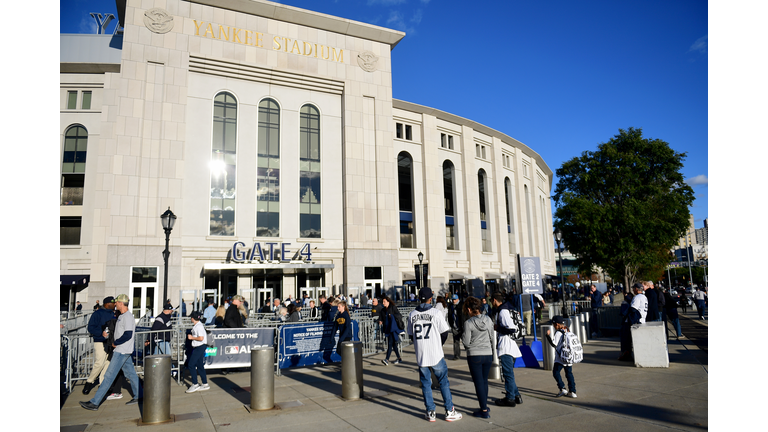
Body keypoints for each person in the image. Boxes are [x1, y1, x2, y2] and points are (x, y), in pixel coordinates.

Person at [407, 287, 462, 422]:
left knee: (426, 383)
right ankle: (449, 410)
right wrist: (438, 343)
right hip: (435, 353)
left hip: (421, 354)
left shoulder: (412, 314)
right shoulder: (436, 313)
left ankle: (430, 411)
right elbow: (444, 332)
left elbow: (410, 335)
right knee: (443, 381)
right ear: (430, 298)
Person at [80, 294, 141, 410]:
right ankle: (139, 396)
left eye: (117, 302)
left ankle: (94, 403)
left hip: (121, 351)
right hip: (123, 350)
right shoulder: (122, 316)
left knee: (108, 376)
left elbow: (128, 334)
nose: (115, 304)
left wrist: (115, 343)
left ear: (121, 303)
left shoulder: (127, 317)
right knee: (131, 375)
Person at [461, 296, 495, 418]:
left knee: (478, 382)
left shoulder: (468, 323)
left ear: (469, 310)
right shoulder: (488, 320)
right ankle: (484, 404)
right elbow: (492, 337)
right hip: (487, 353)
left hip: (474, 354)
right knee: (484, 381)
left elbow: (466, 342)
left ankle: (484, 410)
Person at [491, 292, 523, 407]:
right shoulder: (509, 309)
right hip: (511, 345)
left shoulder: (503, 311)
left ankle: (510, 398)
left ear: (494, 300)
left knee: (508, 374)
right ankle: (517, 396)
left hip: (506, 346)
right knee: (509, 374)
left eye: (491, 301)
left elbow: (511, 328)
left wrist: (497, 327)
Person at [82, 296, 117, 395]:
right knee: (99, 363)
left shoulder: (113, 314)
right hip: (100, 341)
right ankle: (89, 382)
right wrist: (101, 333)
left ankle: (102, 384)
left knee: (107, 363)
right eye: (113, 303)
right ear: (107, 304)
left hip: (110, 342)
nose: (115, 304)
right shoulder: (97, 313)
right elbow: (90, 327)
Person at [546, 316, 578, 398]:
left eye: (553, 324)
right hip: (569, 357)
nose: (553, 326)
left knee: (556, 373)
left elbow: (554, 344)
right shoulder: (567, 329)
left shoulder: (558, 333)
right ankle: (572, 391)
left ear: (556, 324)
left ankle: (562, 388)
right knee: (569, 374)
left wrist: (547, 336)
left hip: (560, 358)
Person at [185, 311, 211, 393]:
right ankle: (205, 383)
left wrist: (191, 337)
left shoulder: (198, 326)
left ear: (193, 318)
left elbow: (201, 338)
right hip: (199, 346)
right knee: (200, 365)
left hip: (199, 346)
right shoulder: (198, 325)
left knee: (191, 364)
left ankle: (195, 384)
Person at [380, 295, 404, 365]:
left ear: (388, 302)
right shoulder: (383, 310)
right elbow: (380, 318)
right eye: (382, 302)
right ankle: (399, 358)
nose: (383, 303)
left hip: (393, 329)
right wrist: (380, 321)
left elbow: (399, 315)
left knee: (390, 344)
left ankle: (387, 359)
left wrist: (392, 316)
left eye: (384, 302)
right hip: (387, 329)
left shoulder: (393, 308)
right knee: (393, 345)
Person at [447, 294, 464, 360]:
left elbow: (464, 316)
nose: (454, 301)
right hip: (454, 326)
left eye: (455, 299)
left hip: (461, 326)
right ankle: (456, 355)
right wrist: (451, 325)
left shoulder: (461, 305)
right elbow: (449, 316)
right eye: (453, 299)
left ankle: (470, 355)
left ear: (458, 299)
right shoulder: (451, 306)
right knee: (456, 342)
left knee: (466, 342)